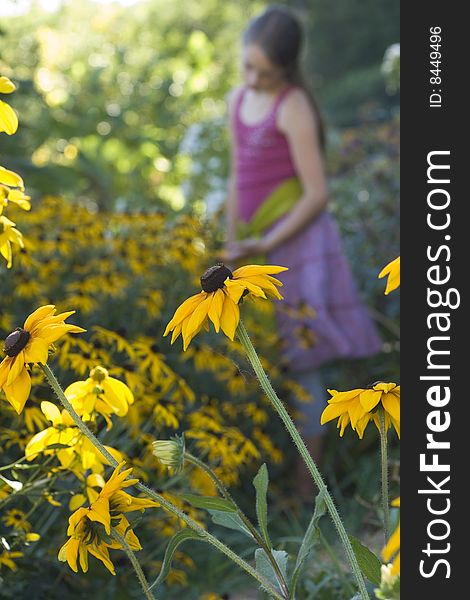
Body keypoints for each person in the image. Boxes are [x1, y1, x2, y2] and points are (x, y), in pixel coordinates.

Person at [223, 6, 382, 494]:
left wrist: (266, 243)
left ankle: (307, 486)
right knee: (269, 361)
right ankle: (281, 470)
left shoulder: (291, 106)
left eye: (264, 72)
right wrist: (232, 240)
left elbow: (316, 194)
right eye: (248, 67)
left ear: (286, 69)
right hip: (255, 244)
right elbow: (237, 175)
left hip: (298, 248)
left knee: (307, 362)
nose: (253, 78)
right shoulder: (237, 100)